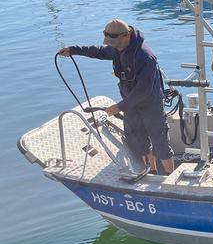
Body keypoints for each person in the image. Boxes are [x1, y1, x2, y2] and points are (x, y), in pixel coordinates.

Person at [57, 19, 175, 175]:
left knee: (159, 139)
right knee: (140, 137)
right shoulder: (118, 48)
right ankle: (152, 170)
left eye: (115, 43)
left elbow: (143, 91)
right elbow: (97, 51)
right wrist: (73, 50)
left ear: (126, 36)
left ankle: (169, 175)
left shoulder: (145, 57)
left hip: (150, 103)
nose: (112, 46)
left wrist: (119, 107)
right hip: (130, 103)